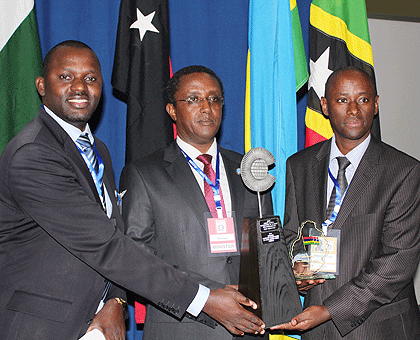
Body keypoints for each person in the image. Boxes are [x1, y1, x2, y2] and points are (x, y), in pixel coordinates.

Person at [0, 41, 266, 340]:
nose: (79, 87)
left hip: (96, 321)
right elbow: (106, 246)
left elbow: (113, 231)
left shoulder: (96, 149)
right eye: (65, 77)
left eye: (90, 78)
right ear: (41, 85)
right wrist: (204, 298)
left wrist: (114, 299)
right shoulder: (34, 153)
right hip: (46, 325)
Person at [119, 65, 273, 339]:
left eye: (214, 99)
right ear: (172, 111)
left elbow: (266, 245)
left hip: (249, 328)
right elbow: (136, 258)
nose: (206, 107)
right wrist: (206, 298)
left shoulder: (249, 167)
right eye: (193, 99)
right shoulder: (144, 174)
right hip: (181, 329)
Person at [272, 66, 420, 339]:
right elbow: (293, 236)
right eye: (342, 100)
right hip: (316, 328)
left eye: (363, 99)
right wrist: (299, 274)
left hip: (378, 328)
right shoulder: (299, 165)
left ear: (375, 105)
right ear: (325, 106)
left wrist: (330, 309)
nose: (354, 109)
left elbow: (398, 262)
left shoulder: (404, 171)